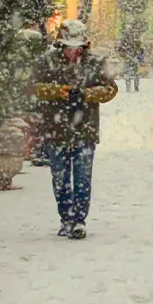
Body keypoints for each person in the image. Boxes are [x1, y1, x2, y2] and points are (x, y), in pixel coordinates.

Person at [32, 19, 118, 239]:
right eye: (69, 48)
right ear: (60, 45)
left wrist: (87, 94)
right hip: (56, 128)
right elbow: (32, 88)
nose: (73, 52)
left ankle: (79, 219)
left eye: (76, 48)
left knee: (82, 178)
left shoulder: (95, 62)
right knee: (60, 178)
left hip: (84, 129)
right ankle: (66, 218)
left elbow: (110, 89)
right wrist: (57, 92)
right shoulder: (46, 61)